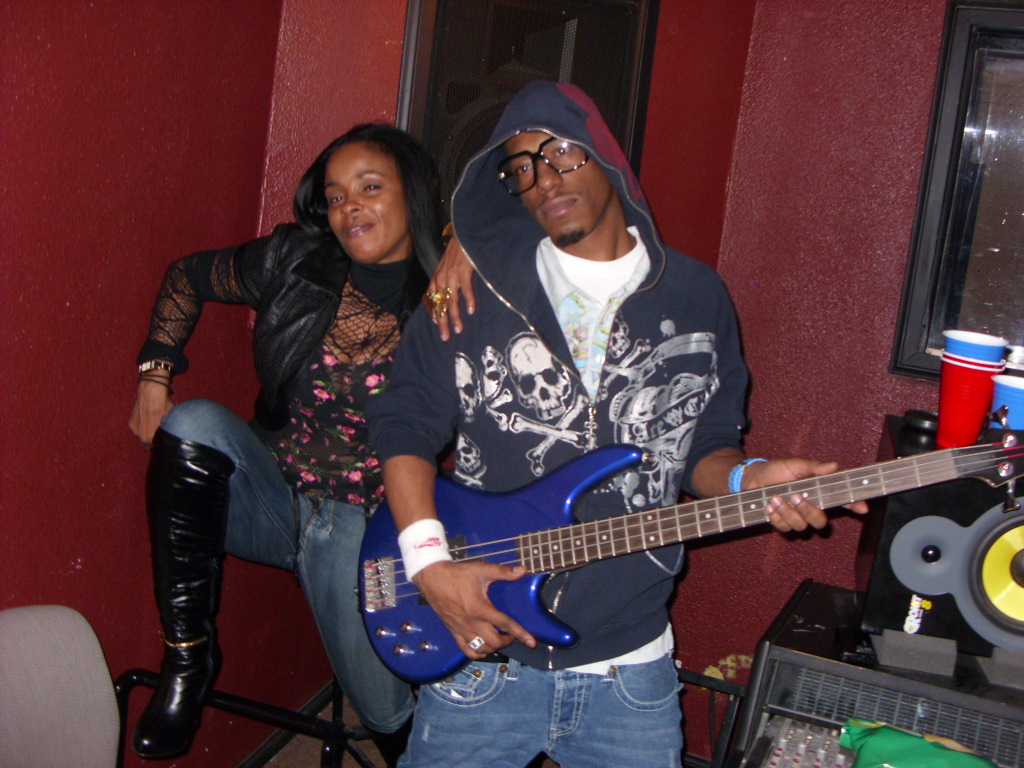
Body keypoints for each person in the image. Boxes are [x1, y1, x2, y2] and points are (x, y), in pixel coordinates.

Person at [367, 81, 868, 768]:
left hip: (629, 668)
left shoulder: (696, 295)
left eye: (560, 153)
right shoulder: (474, 290)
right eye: (522, 168)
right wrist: (428, 565)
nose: (544, 180)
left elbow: (701, 447)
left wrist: (750, 479)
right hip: (484, 656)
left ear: (604, 153)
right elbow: (403, 422)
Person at [128, 123, 443, 765]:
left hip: (367, 525)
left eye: (370, 188)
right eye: (336, 196)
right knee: (193, 424)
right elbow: (186, 276)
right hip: (273, 495)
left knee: (381, 706)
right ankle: (188, 659)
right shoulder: (295, 261)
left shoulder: (450, 298)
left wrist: (461, 242)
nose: (349, 207)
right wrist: (155, 376)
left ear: (411, 193)